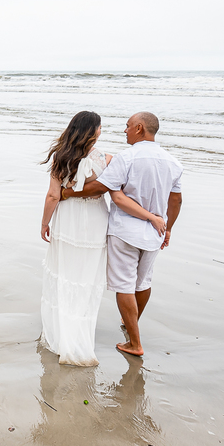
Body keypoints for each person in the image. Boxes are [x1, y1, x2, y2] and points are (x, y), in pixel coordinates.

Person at [63, 111, 183, 358]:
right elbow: (176, 199)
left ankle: (135, 342)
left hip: (124, 231)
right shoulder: (173, 162)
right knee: (144, 282)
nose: (125, 130)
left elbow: (102, 187)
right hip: (155, 232)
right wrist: (168, 227)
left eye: (128, 126)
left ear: (139, 128)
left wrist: (69, 193)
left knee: (125, 287)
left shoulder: (126, 158)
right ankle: (130, 324)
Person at [39, 111, 120, 365]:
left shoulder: (60, 158)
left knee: (65, 273)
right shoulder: (106, 159)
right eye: (99, 128)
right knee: (85, 277)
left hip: (68, 220)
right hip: (95, 220)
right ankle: (79, 338)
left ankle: (60, 336)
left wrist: (45, 222)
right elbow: (115, 191)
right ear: (94, 132)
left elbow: (53, 195)